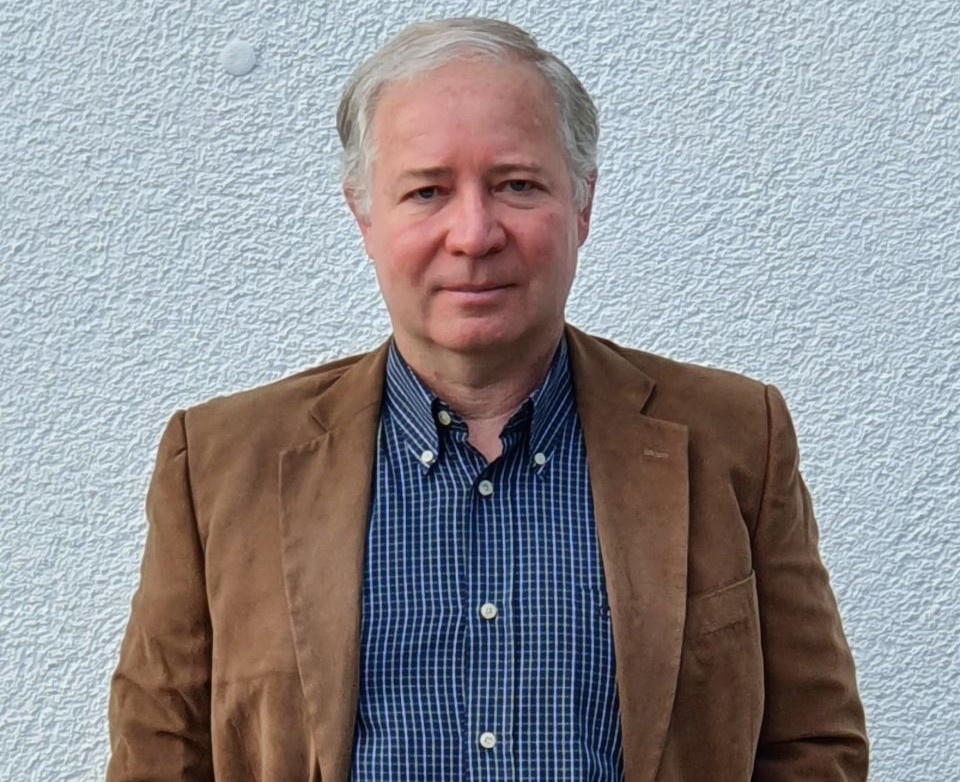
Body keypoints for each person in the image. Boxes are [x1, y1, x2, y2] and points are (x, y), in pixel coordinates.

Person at [106, 17, 868, 782]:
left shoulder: (734, 440)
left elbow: (812, 744)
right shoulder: (219, 467)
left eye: (516, 185)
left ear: (583, 204)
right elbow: (159, 758)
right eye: (427, 191)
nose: (473, 235)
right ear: (365, 217)